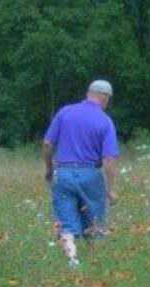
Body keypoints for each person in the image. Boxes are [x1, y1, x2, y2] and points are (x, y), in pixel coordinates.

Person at [42, 79, 119, 267]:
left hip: (64, 173)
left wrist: (49, 169)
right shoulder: (105, 121)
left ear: (89, 93)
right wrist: (111, 189)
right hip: (90, 175)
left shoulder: (65, 112)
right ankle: (95, 264)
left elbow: (47, 144)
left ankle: (72, 261)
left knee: (66, 224)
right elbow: (108, 159)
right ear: (105, 97)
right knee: (94, 223)